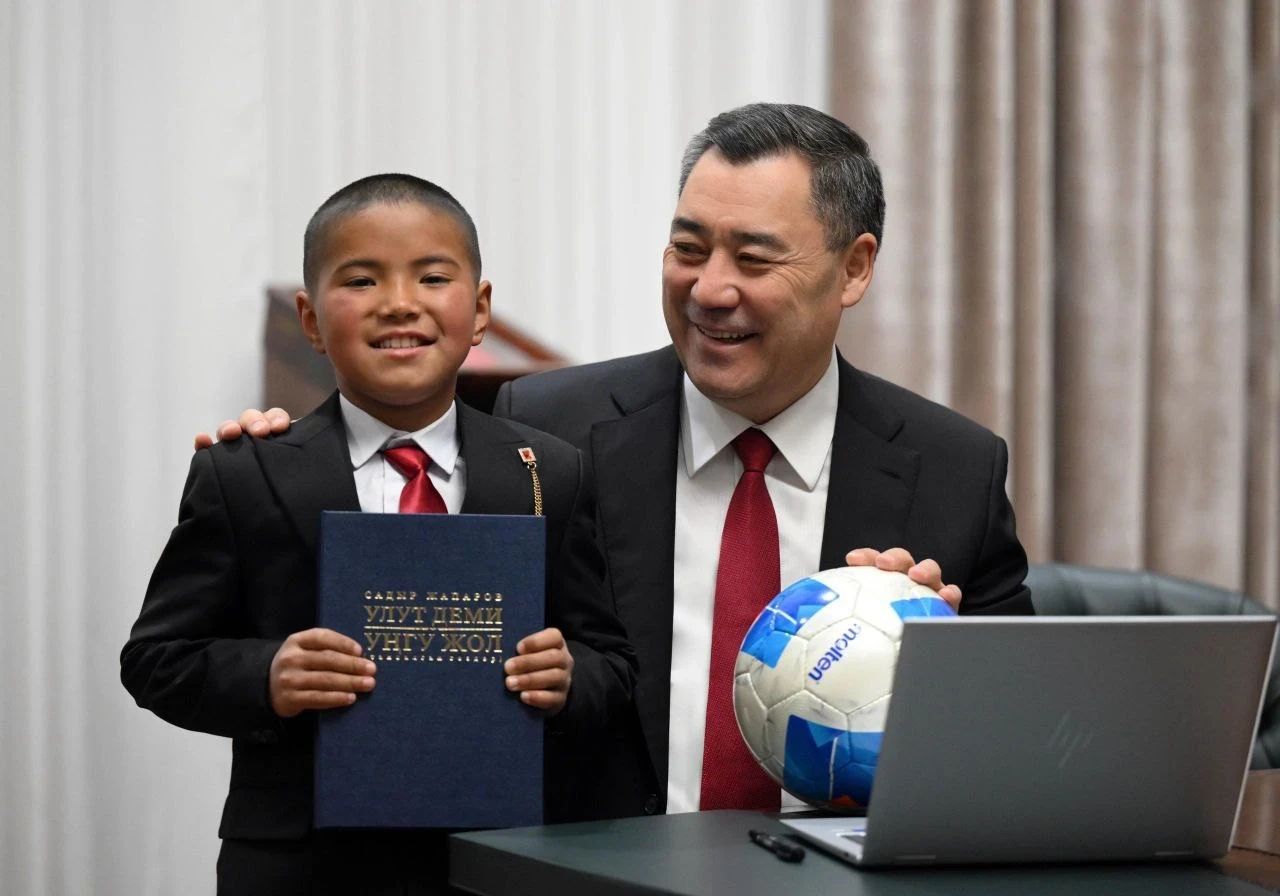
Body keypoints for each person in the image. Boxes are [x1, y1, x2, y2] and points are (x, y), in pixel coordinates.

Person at [202, 103, 1034, 821]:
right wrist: (291, 451)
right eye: (688, 248)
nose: (710, 290)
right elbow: (403, 611)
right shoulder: (543, 430)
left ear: (853, 268)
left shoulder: (952, 470)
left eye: (753, 259)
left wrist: (946, 670)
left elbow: (1018, 744)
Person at [123, 173, 637, 896]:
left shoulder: (549, 472)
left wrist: (569, 678)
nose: (399, 302)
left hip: (497, 858)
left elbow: (612, 662)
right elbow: (156, 660)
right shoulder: (244, 471)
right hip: (300, 867)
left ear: (480, 310)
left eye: (433, 277)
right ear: (310, 321)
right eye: (361, 280)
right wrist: (268, 675)